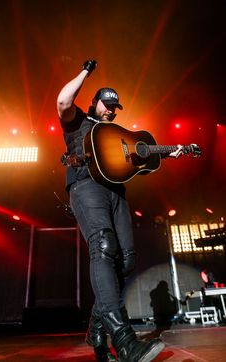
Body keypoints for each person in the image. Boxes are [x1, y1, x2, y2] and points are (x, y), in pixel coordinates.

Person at [57, 60, 183, 362]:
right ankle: (123, 340)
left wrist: (169, 151)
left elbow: (141, 159)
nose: (111, 110)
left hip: (116, 193)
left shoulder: (118, 133)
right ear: (95, 102)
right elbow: (63, 101)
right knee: (103, 247)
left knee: (125, 259)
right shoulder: (78, 122)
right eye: (107, 104)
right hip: (85, 186)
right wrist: (86, 71)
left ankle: (96, 331)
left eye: (115, 107)